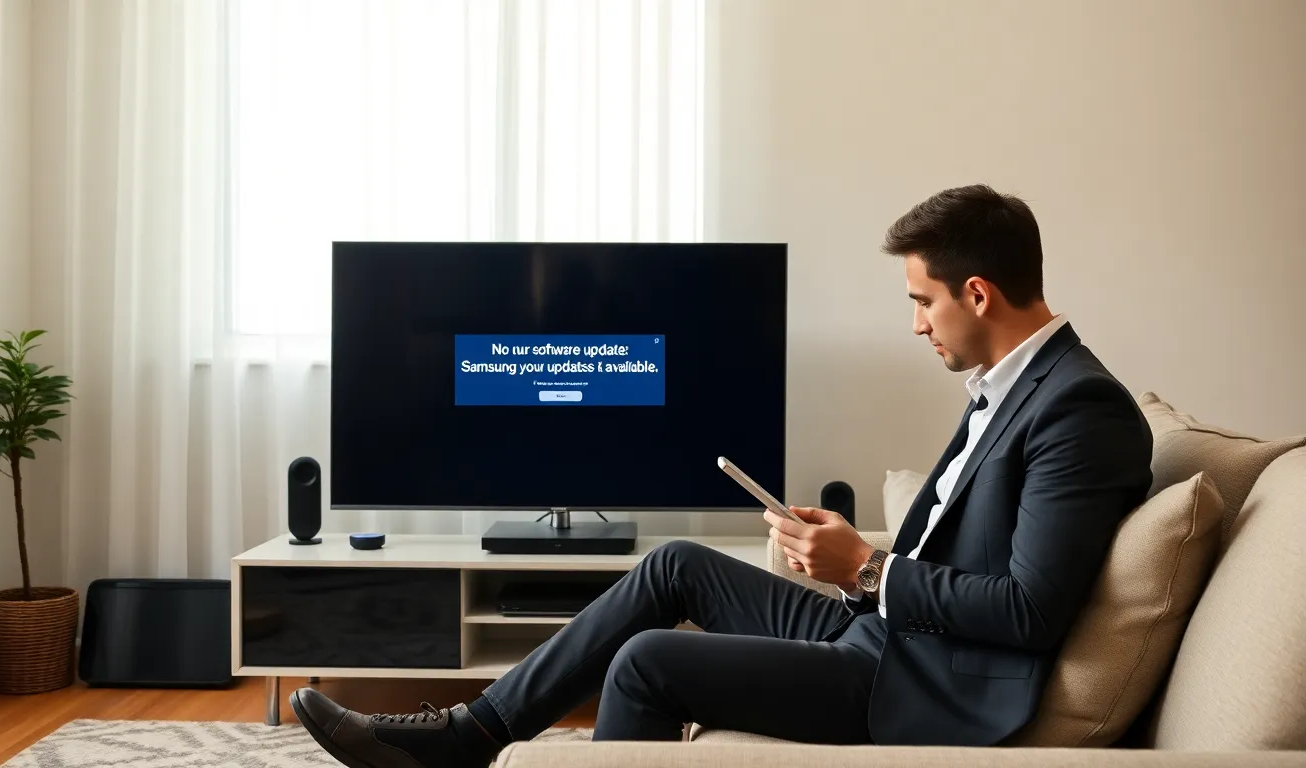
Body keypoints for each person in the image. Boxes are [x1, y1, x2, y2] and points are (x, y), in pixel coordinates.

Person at [290, 184, 1154, 768]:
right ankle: (470, 735)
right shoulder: (1008, 387)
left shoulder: (1079, 408)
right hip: (885, 636)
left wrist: (867, 567)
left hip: (924, 686)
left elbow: (1030, 613)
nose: (916, 326)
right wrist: (845, 558)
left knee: (647, 663)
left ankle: (458, 744)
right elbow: (955, 543)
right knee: (674, 564)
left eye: (921, 303)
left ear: (976, 293)